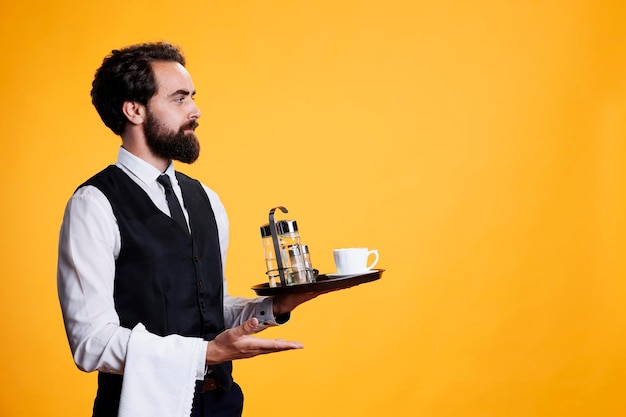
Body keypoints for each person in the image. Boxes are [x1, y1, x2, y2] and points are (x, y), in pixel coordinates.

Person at [57, 41, 321, 417]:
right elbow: (91, 343)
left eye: (192, 97)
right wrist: (207, 353)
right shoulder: (94, 204)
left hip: (222, 403)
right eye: (179, 99)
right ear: (134, 110)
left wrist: (273, 307)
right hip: (140, 407)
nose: (195, 111)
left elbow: (211, 307)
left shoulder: (207, 200)